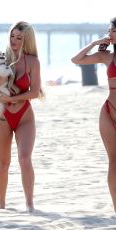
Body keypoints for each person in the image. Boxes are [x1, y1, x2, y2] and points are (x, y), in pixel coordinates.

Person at [0, 21, 44, 212]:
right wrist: (0, 82)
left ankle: (30, 204)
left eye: (19, 38)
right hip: (1, 116)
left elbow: (35, 92)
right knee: (2, 163)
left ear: (26, 40)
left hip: (24, 116)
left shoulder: (32, 61)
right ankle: (2, 206)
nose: (14, 40)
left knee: (24, 159)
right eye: (12, 36)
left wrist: (12, 98)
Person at [71, 17, 116, 212]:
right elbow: (76, 60)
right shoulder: (107, 57)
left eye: (113, 30)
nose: (110, 34)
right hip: (109, 111)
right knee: (113, 161)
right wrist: (95, 43)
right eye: (109, 30)